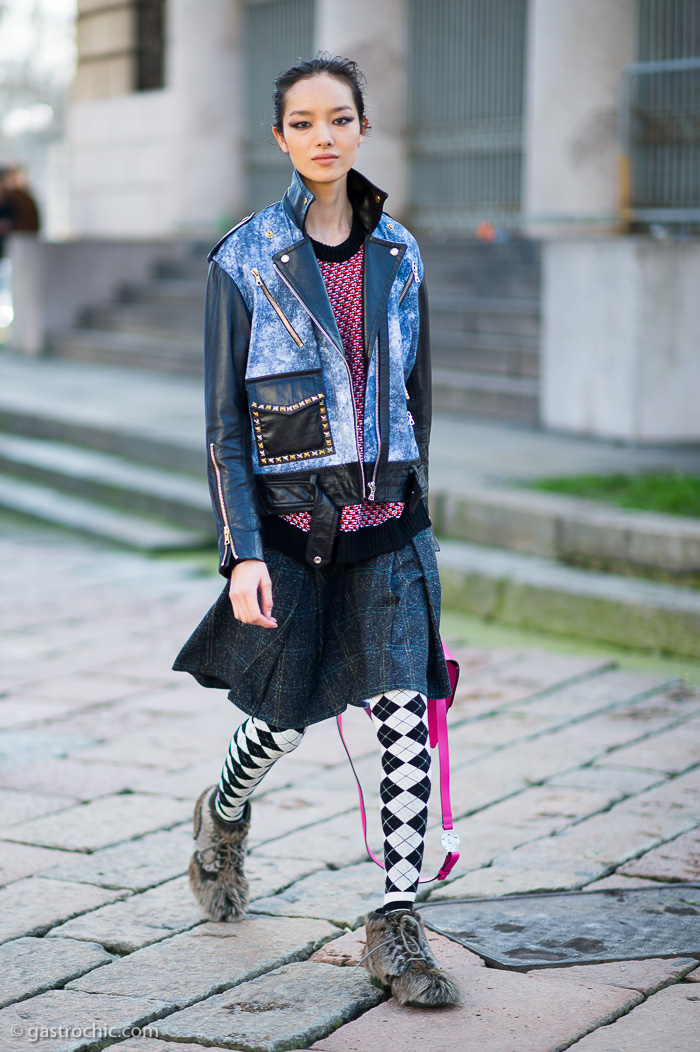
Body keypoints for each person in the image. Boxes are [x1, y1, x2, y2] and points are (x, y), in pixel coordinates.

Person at [173, 54, 461, 1009]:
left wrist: (416, 509)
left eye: (340, 118)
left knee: (402, 721)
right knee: (281, 723)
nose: (324, 135)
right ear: (282, 139)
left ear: (363, 129)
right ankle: (223, 810)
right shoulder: (244, 258)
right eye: (304, 122)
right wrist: (243, 550)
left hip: (390, 531)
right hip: (293, 536)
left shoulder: (402, 255)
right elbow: (223, 425)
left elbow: (419, 400)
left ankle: (397, 920)